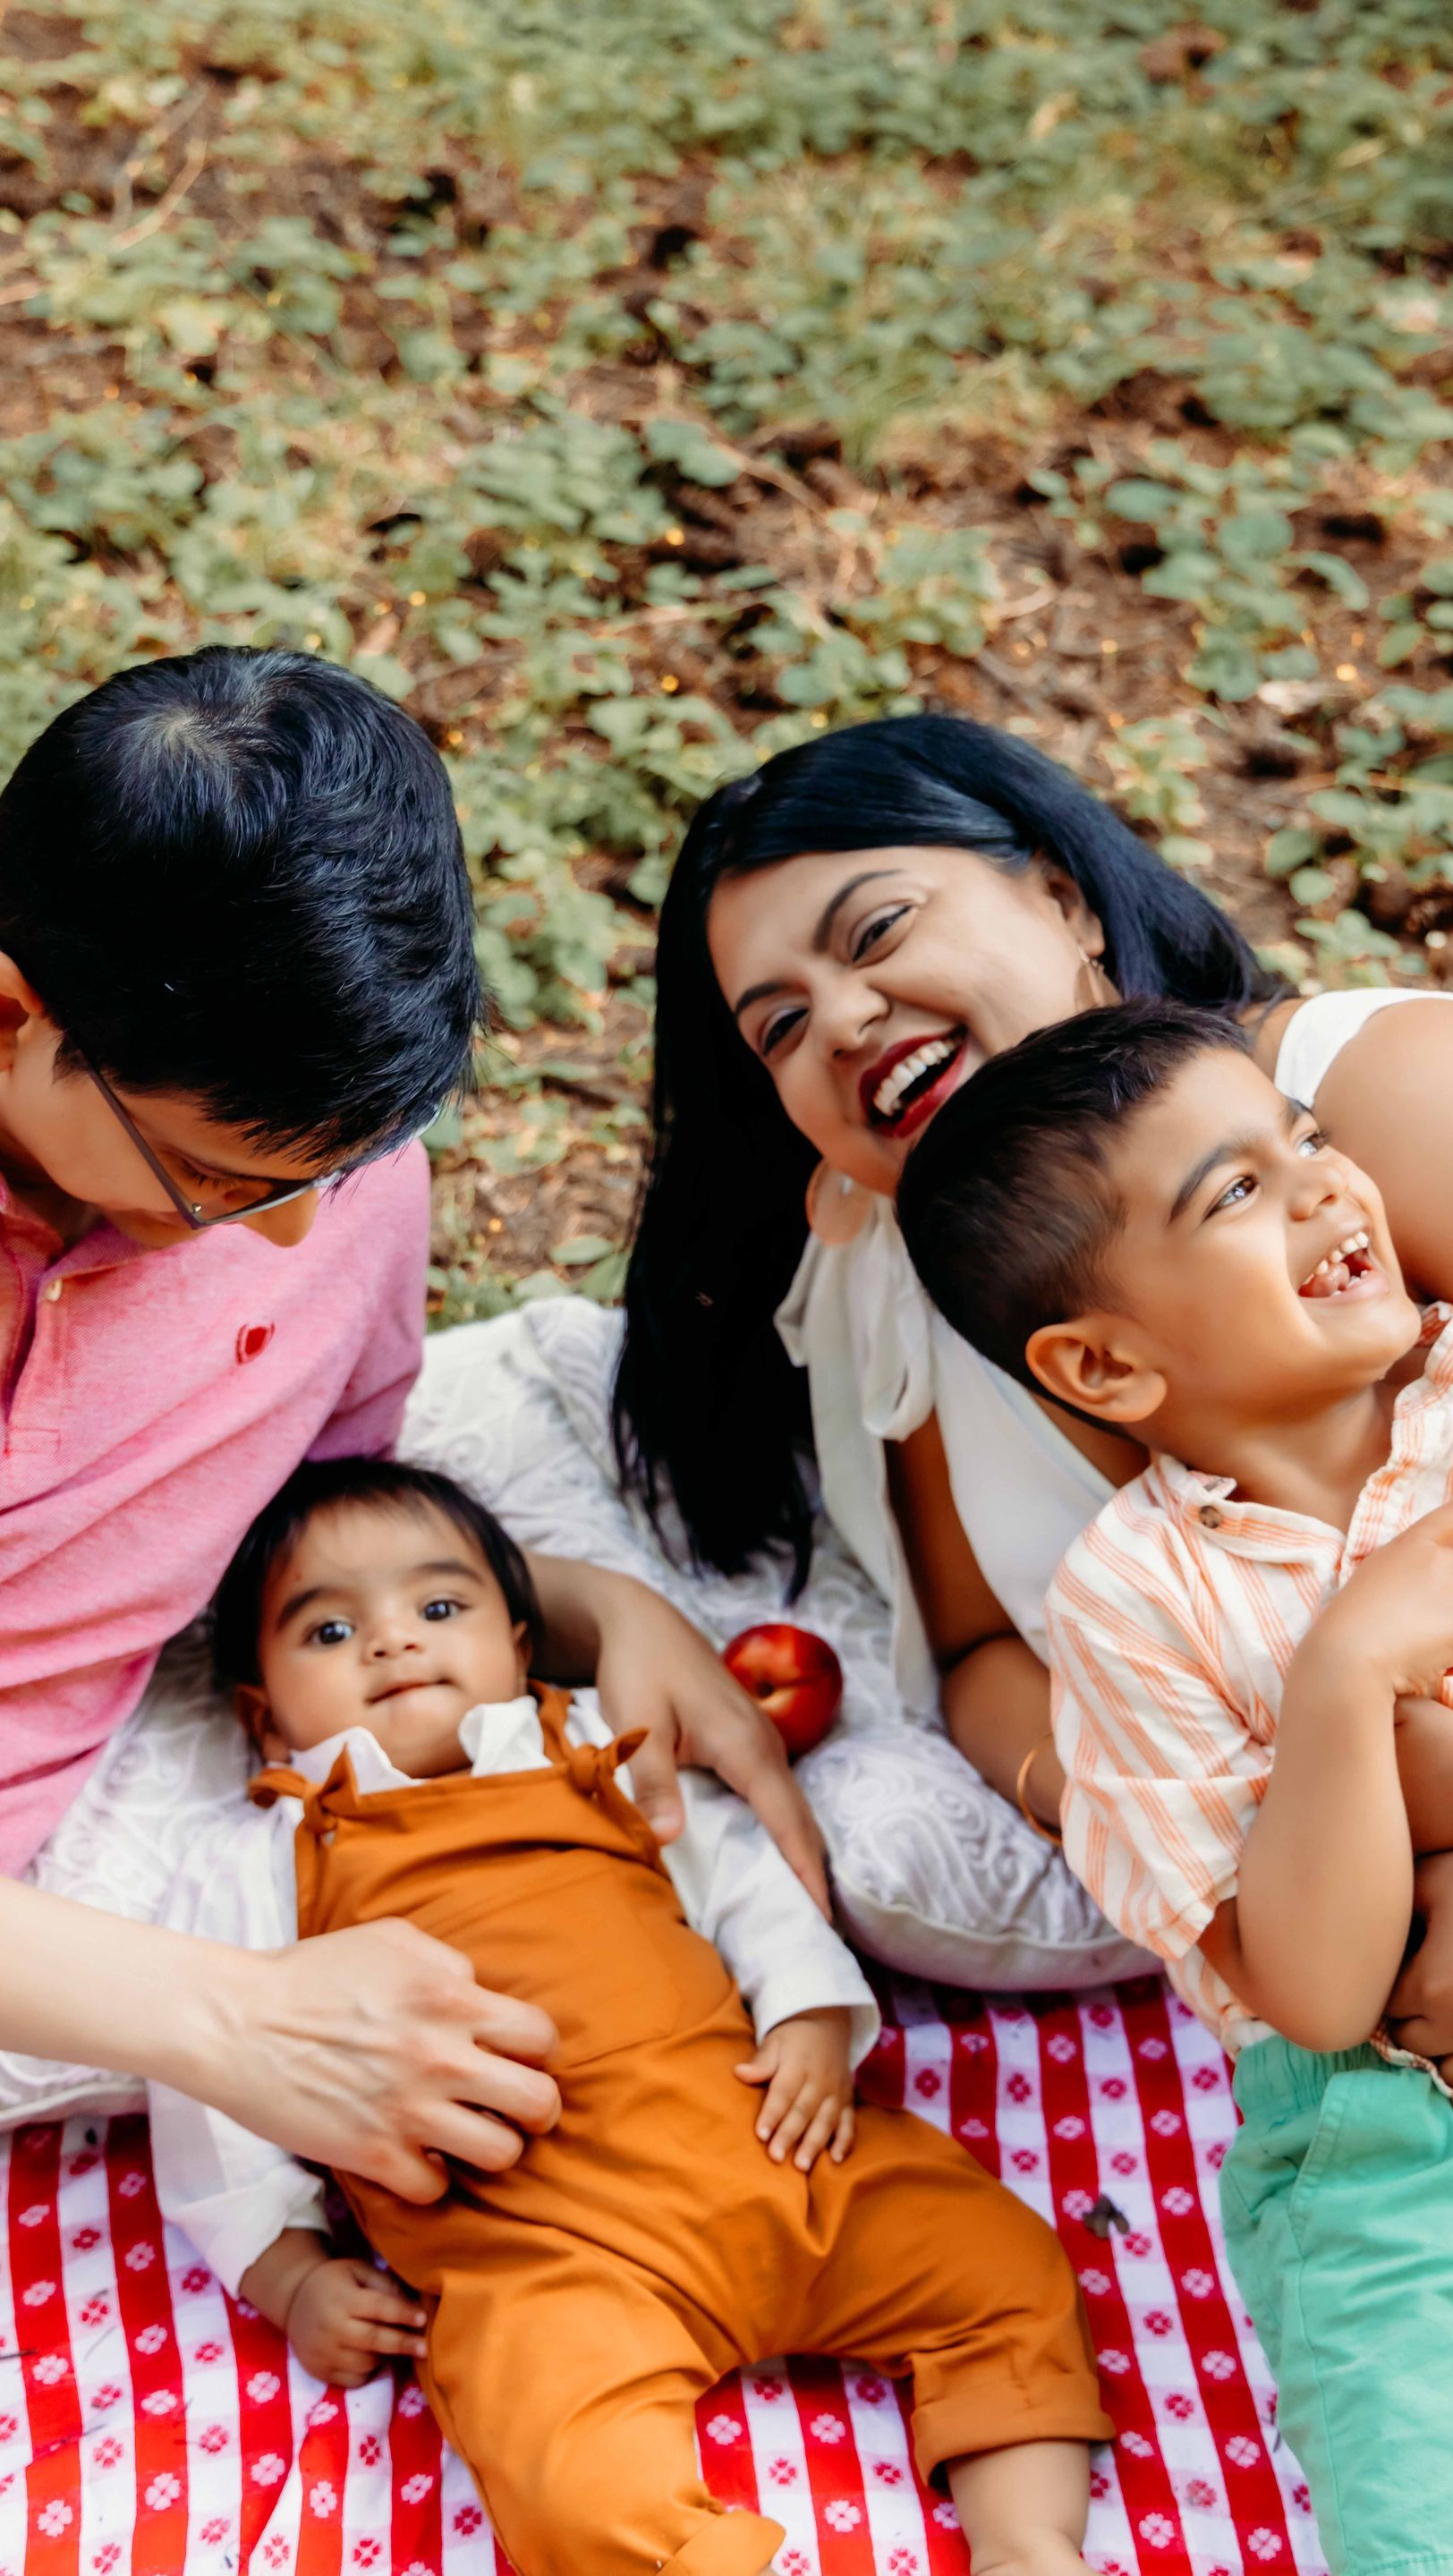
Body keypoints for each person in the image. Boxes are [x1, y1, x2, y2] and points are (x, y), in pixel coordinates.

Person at [616, 709, 1453, 2070]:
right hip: (1396, 2023)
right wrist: (1219, 1843)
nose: (841, 1019)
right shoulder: (912, 1276)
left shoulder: (1349, 1116)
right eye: (778, 1024)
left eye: (877, 931)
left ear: (1065, 899)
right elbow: (980, 1656)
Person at [896, 999, 1453, 2575]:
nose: (1331, 1190)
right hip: (1405, 2200)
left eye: (1315, 1144)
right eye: (1240, 1190)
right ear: (1102, 1361)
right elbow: (1325, 1988)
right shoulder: (1130, 1600)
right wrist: (1343, 1687)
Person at [0, 646, 817, 2194]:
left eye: (342, 1165)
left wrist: (576, 1604)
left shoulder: (331, 1153)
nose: (298, 1238)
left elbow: (299, 1490)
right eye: (220, 1183)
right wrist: (230, 2018)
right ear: (14, 1018)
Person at [151, 1457, 1115, 2576]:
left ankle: (1028, 2543)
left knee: (997, 2263)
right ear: (261, 1715)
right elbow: (202, 2059)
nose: (393, 1641)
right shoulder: (265, 1852)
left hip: (776, 2158)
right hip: (542, 2256)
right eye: (328, 1631)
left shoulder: (594, 1747)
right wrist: (290, 2270)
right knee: (550, 2457)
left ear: (519, 1647)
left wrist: (806, 2013)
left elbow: (746, 1879)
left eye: (441, 1605)